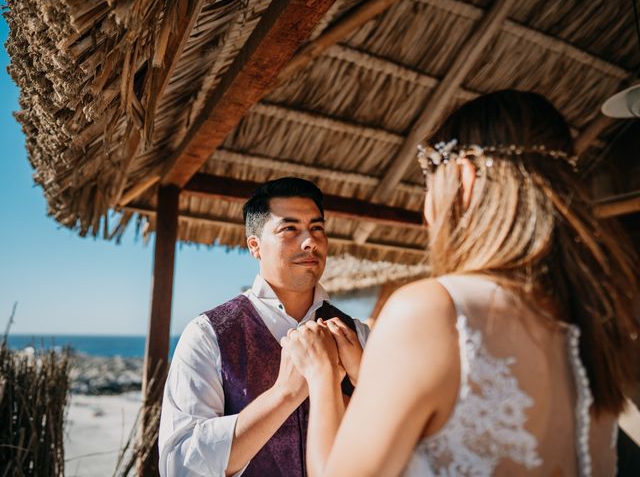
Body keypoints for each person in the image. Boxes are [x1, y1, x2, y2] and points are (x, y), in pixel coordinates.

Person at [281, 90, 640, 476]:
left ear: (465, 179)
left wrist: (320, 378)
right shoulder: (598, 316)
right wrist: (367, 376)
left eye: (429, 186)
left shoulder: (432, 310)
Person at [158, 177, 370, 476]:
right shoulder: (208, 334)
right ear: (255, 246)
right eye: (290, 229)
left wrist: (364, 383)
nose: (310, 241)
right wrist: (284, 394)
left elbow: (405, 442)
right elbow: (179, 463)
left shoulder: (358, 335)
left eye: (317, 228)